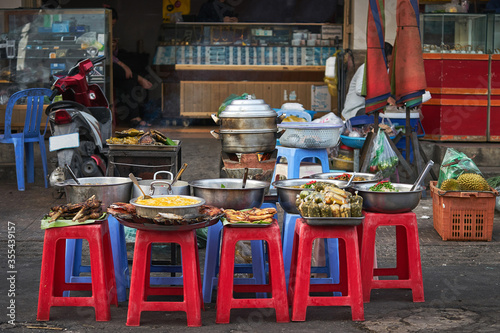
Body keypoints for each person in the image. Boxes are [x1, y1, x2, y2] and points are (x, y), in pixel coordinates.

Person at [108, 6, 153, 127]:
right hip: (99, 69)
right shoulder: (96, 32)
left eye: (113, 25)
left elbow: (112, 55)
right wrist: (122, 64)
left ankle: (135, 117)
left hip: (110, 70)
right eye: (110, 24)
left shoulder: (109, 33)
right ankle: (139, 78)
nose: (111, 27)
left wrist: (114, 47)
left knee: (129, 81)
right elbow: (106, 56)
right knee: (126, 73)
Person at [341, 42, 393, 121]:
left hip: (373, 107)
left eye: (390, 62)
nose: (388, 65)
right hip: (356, 109)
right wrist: (384, 97)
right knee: (374, 117)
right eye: (387, 62)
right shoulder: (365, 68)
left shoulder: (387, 70)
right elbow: (359, 90)